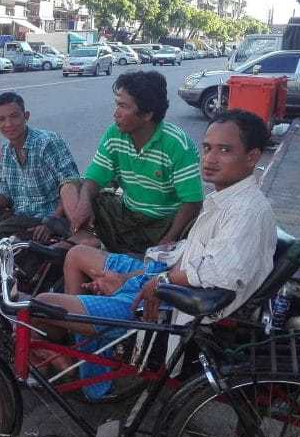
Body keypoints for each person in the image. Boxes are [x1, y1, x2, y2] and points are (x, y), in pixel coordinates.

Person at [35, 110, 278, 399]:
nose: (210, 158)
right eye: (207, 148)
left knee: (41, 304)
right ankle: (87, 350)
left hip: (176, 302)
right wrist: (134, 275)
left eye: (225, 150)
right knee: (78, 253)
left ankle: (88, 376)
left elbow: (219, 273)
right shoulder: (227, 197)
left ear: (252, 157)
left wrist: (157, 281)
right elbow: (194, 255)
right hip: (167, 279)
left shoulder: (245, 210)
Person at [71, 70, 203, 255]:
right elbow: (95, 177)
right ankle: (88, 238)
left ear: (147, 114)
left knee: (189, 233)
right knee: (75, 187)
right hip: (127, 215)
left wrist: (169, 238)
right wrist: (84, 203)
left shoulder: (177, 145)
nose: (115, 113)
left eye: (123, 106)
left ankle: (117, 253)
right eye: (117, 105)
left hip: (164, 222)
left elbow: (192, 201)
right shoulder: (114, 134)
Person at [0, 91, 82, 244]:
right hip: (18, 216)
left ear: (26, 116)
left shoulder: (47, 143)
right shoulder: (6, 153)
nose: (8, 124)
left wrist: (51, 222)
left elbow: (71, 184)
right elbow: (6, 195)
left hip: (45, 217)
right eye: (1, 119)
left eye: (14, 116)